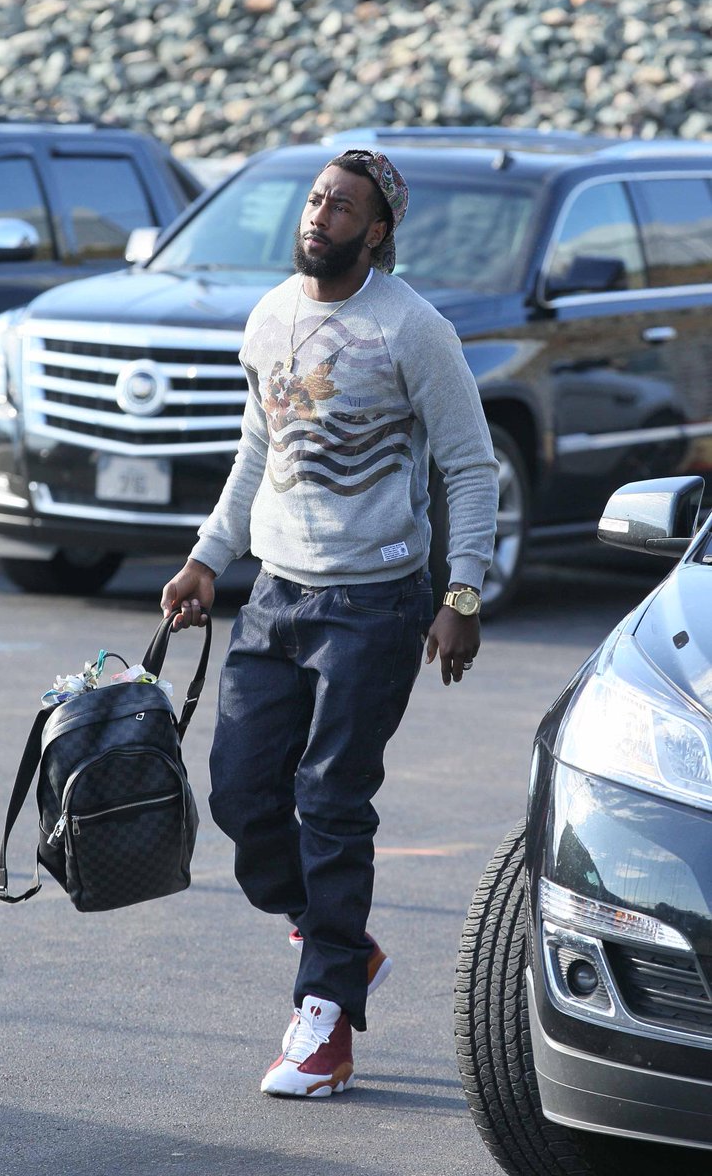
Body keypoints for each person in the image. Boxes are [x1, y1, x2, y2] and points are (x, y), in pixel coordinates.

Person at [161, 148, 499, 1099]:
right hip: (275, 591)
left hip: (376, 600)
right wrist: (205, 559)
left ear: (378, 229)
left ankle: (326, 1026)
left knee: (332, 799)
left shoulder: (412, 329)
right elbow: (256, 450)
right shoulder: (272, 314)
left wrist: (461, 595)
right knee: (238, 792)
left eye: (342, 207)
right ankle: (337, 942)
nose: (319, 216)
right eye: (315, 200)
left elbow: (473, 468)